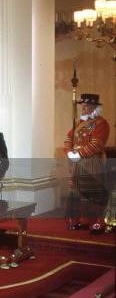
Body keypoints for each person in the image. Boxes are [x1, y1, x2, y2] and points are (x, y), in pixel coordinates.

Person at [64, 93, 110, 234]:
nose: (83, 108)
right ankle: (79, 220)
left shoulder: (101, 124)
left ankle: (95, 224)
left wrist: (78, 154)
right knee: (77, 193)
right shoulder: (79, 123)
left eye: (86, 106)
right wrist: (69, 152)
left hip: (91, 162)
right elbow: (68, 138)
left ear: (95, 107)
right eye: (82, 106)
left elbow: (96, 144)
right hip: (77, 163)